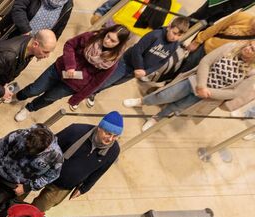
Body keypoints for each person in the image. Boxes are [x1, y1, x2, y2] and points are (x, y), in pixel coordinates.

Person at [123, 40, 255, 131]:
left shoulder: (251, 71)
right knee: (165, 95)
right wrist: (201, 85)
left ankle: (157, 118)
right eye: (249, 44)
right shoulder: (231, 47)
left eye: (252, 49)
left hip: (207, 97)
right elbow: (206, 61)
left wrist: (208, 92)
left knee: (177, 107)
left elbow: (235, 92)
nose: (248, 48)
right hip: (196, 81)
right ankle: (142, 101)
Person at [13, 25, 131, 122]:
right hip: (59, 69)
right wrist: (70, 65)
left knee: (48, 98)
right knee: (34, 89)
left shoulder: (112, 63)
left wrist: (77, 98)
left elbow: (96, 83)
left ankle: (29, 109)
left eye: (113, 41)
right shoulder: (91, 37)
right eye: (108, 36)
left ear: (119, 44)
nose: (107, 41)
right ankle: (17, 96)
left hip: (72, 85)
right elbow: (70, 45)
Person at [30, 112, 122, 212]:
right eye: (108, 133)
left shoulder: (114, 150)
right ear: (99, 128)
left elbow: (99, 172)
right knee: (19, 192)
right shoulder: (76, 131)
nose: (110, 139)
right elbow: (49, 146)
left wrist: (83, 189)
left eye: (115, 136)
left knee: (38, 209)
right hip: (43, 171)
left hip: (63, 186)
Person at [88, 17, 189, 106]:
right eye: (174, 33)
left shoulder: (175, 45)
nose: (175, 37)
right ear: (169, 27)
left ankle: (94, 92)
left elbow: (162, 62)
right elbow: (137, 50)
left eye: (179, 35)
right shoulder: (155, 35)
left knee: (114, 83)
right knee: (107, 80)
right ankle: (87, 91)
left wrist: (146, 72)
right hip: (126, 63)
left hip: (137, 72)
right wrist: (139, 67)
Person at [0, 124, 62, 217]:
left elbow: (51, 176)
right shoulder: (21, 134)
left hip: (14, 186)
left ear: (45, 149)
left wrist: (28, 187)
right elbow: (1, 146)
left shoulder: (55, 156)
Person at [179, 12, 255, 76]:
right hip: (205, 50)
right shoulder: (242, 16)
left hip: (219, 65)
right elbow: (216, 28)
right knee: (181, 71)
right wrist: (197, 41)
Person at [0, 0, 72, 41]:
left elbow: (59, 28)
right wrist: (26, 31)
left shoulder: (68, 4)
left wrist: (45, 46)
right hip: (11, 35)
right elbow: (18, 8)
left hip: (33, 47)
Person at [189, 0, 255, 25]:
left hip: (231, 8)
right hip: (219, 2)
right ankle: (182, 31)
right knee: (198, 16)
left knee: (207, 24)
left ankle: (191, 44)